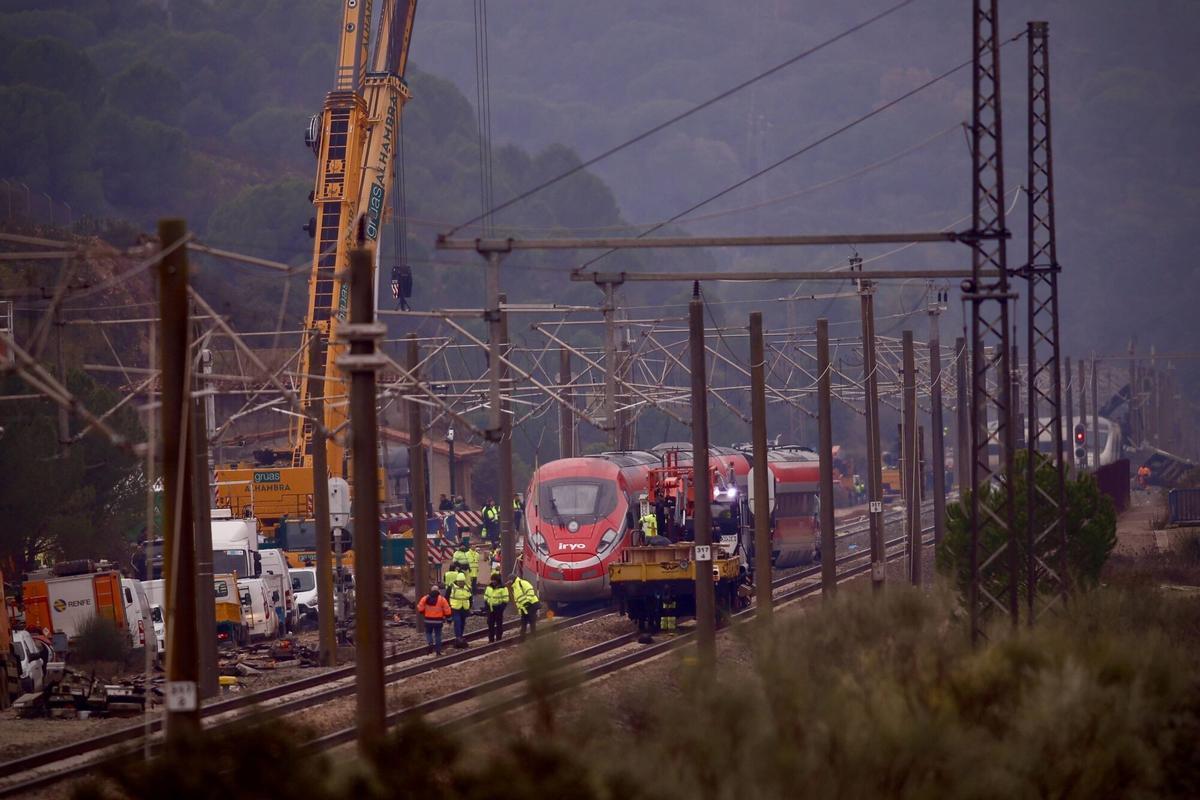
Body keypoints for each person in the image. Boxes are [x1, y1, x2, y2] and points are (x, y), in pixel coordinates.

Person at [416, 586, 451, 655]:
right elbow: (447, 610)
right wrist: (449, 619)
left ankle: (430, 643)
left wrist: (424, 612)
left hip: (428, 620)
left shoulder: (425, 598)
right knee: (438, 635)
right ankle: (438, 651)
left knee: (428, 633)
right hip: (438, 621)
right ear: (438, 591)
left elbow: (420, 608)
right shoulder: (442, 599)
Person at [509, 573, 540, 639]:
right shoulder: (514, 588)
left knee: (532, 621)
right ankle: (523, 637)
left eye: (510, 580)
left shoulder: (522, 583)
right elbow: (517, 600)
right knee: (523, 622)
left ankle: (533, 636)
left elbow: (530, 591)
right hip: (524, 607)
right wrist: (520, 610)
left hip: (531, 605)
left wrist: (527, 601)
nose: (510, 581)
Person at [483, 573, 509, 643]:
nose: (493, 582)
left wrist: (501, 608)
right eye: (492, 580)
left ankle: (498, 639)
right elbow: (486, 597)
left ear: (498, 580)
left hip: (498, 609)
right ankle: (491, 639)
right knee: (490, 624)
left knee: (499, 624)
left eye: (494, 580)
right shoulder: (489, 588)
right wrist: (487, 607)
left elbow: (505, 600)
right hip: (490, 608)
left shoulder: (503, 588)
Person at [448, 576, 473, 645]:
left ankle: (460, 636)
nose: (461, 583)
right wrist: (448, 607)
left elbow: (470, 598)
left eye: (462, 582)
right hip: (455, 608)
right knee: (457, 622)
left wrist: (470, 607)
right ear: (457, 581)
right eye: (460, 582)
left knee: (462, 623)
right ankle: (458, 637)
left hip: (464, 608)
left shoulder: (467, 588)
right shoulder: (452, 587)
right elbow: (446, 597)